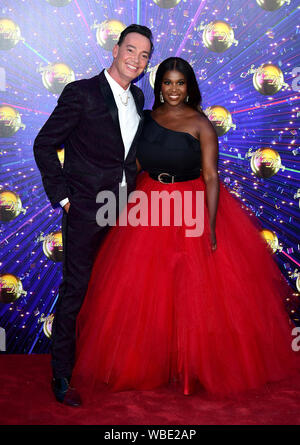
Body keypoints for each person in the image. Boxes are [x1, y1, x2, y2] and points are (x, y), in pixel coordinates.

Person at [72, 57, 298, 400]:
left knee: (197, 291)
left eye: (180, 83)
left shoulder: (201, 124)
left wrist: (210, 226)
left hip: (191, 207)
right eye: (167, 83)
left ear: (188, 86)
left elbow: (210, 176)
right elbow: (129, 164)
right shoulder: (145, 120)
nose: (173, 90)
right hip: (148, 205)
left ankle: (197, 367)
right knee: (148, 289)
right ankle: (149, 365)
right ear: (158, 86)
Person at [33, 24, 153, 406]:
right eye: (130, 50)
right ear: (115, 50)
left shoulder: (138, 95)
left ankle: (111, 366)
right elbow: (44, 143)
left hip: (124, 211)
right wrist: (64, 199)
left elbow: (127, 155)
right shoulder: (81, 92)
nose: (135, 59)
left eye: (144, 55)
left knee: (117, 291)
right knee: (76, 291)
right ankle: (62, 376)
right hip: (86, 209)